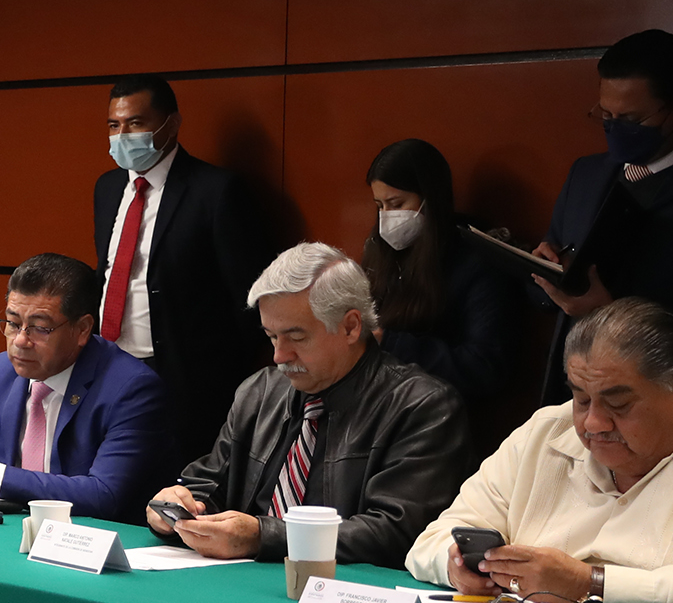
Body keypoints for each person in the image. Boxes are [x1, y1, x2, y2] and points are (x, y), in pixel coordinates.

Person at [147, 242, 468, 567]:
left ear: (350, 326)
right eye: (272, 336)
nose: (279, 356)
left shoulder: (422, 406)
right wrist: (177, 508)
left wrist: (264, 537)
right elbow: (208, 485)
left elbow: (396, 533)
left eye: (297, 337)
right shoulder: (260, 391)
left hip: (348, 589)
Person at [408, 299, 673, 603]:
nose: (593, 423)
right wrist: (456, 566)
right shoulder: (544, 433)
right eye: (581, 400)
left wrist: (591, 585)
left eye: (618, 404)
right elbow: (432, 541)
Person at [0, 253, 173, 521]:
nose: (20, 341)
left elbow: (104, 495)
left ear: (82, 329)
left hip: (96, 538)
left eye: (40, 328)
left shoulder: (131, 389)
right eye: (13, 323)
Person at [94, 74, 278, 463]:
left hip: (185, 379)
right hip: (110, 364)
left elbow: (248, 297)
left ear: (172, 123)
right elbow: (107, 271)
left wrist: (216, 372)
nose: (122, 136)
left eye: (135, 123)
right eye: (114, 125)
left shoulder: (216, 190)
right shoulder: (108, 187)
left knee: (176, 480)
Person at [533, 30, 673, 398]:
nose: (614, 128)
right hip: (571, 392)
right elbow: (547, 286)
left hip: (664, 400)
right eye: (606, 115)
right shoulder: (585, 174)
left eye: (632, 119)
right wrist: (545, 273)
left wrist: (611, 313)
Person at [360, 138, 517, 404]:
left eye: (396, 204)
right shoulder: (380, 249)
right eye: (380, 206)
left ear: (429, 199)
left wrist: (389, 342)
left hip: (438, 408)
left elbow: (485, 366)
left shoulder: (478, 262)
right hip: (379, 399)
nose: (386, 217)